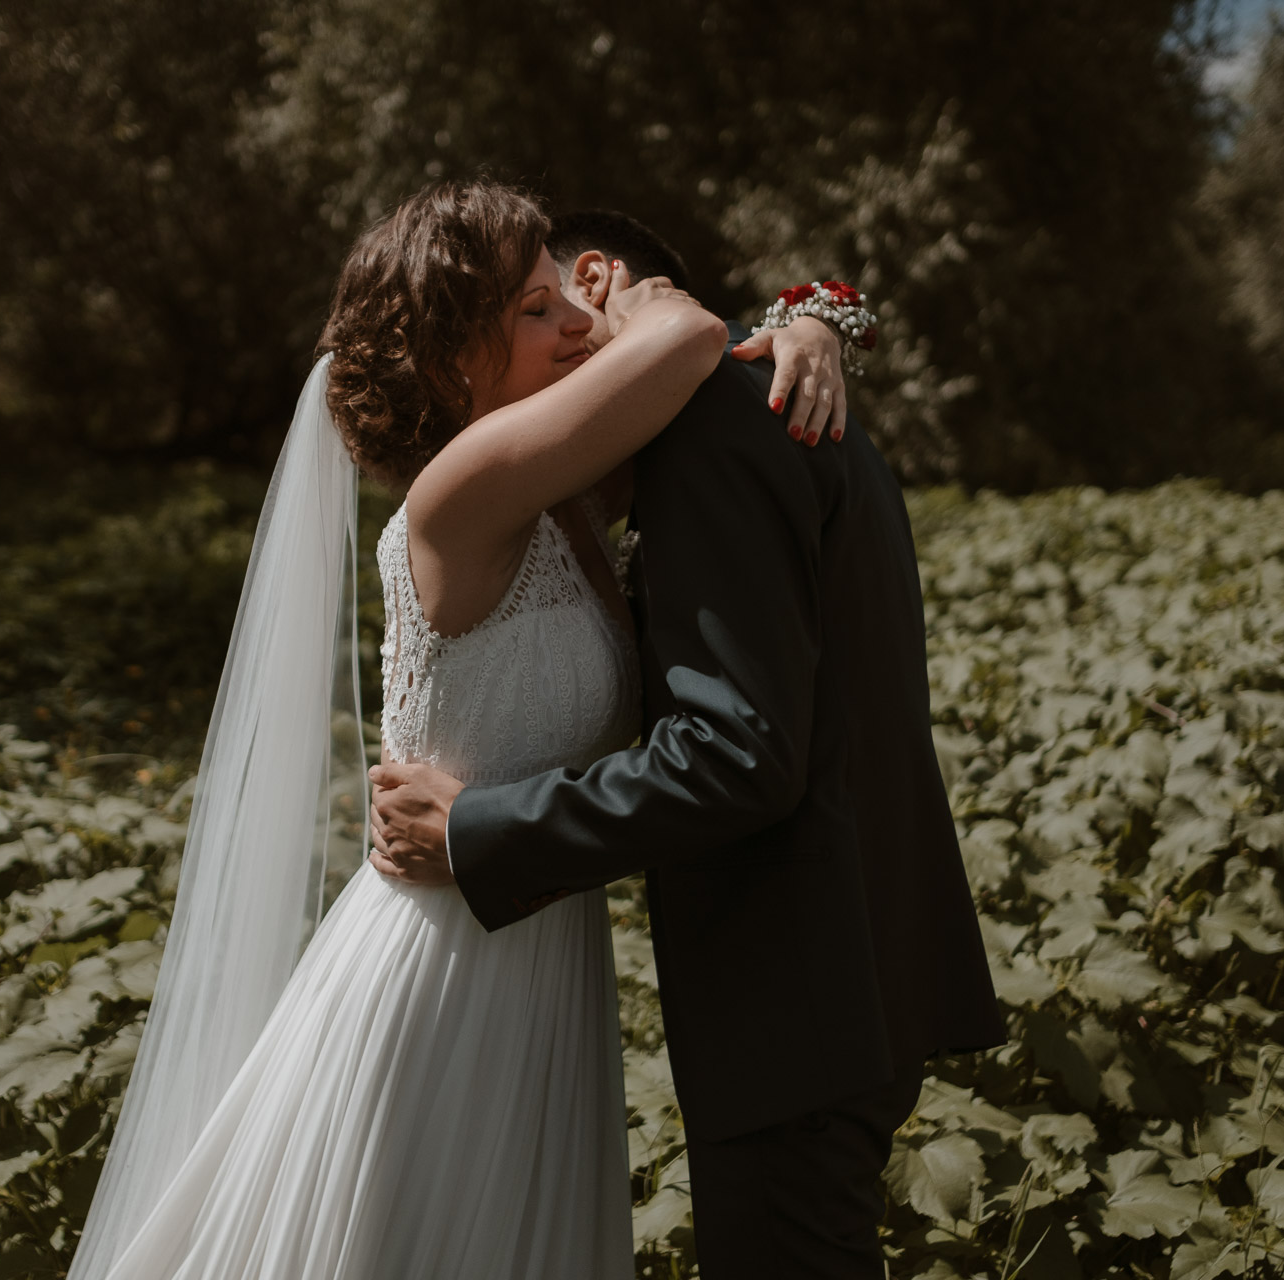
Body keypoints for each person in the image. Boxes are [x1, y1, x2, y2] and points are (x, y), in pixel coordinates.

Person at [64, 179, 848, 1280]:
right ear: (450, 361)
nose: (577, 319)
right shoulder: (460, 491)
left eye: (568, 298)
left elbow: (693, 393)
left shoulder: (559, 500)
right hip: (439, 967)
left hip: (530, 939)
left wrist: (814, 319)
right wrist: (669, 305)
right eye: (536, 307)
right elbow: (675, 339)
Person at [366, 211, 1010, 1276]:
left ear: (600, 280)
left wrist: (479, 827)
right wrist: (811, 314)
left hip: (792, 995)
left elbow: (733, 753)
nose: (563, 344)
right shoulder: (776, 412)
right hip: (841, 971)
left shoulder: (714, 431)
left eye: (552, 303)